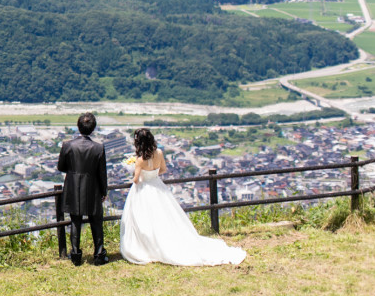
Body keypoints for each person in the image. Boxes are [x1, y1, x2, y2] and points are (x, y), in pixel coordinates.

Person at [119, 128, 246, 266]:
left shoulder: (139, 160)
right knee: (164, 216)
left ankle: (147, 246)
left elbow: (136, 179)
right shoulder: (159, 153)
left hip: (144, 189)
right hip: (158, 186)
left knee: (144, 218)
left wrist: (132, 171)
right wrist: (152, 174)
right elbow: (163, 170)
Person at [57, 112, 109, 266]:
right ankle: (99, 255)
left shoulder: (68, 145)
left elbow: (61, 167)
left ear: (78, 126)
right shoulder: (98, 148)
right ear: (93, 128)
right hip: (93, 187)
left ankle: (75, 255)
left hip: (73, 186)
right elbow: (102, 172)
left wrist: (73, 172)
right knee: (96, 221)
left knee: (75, 220)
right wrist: (104, 191)